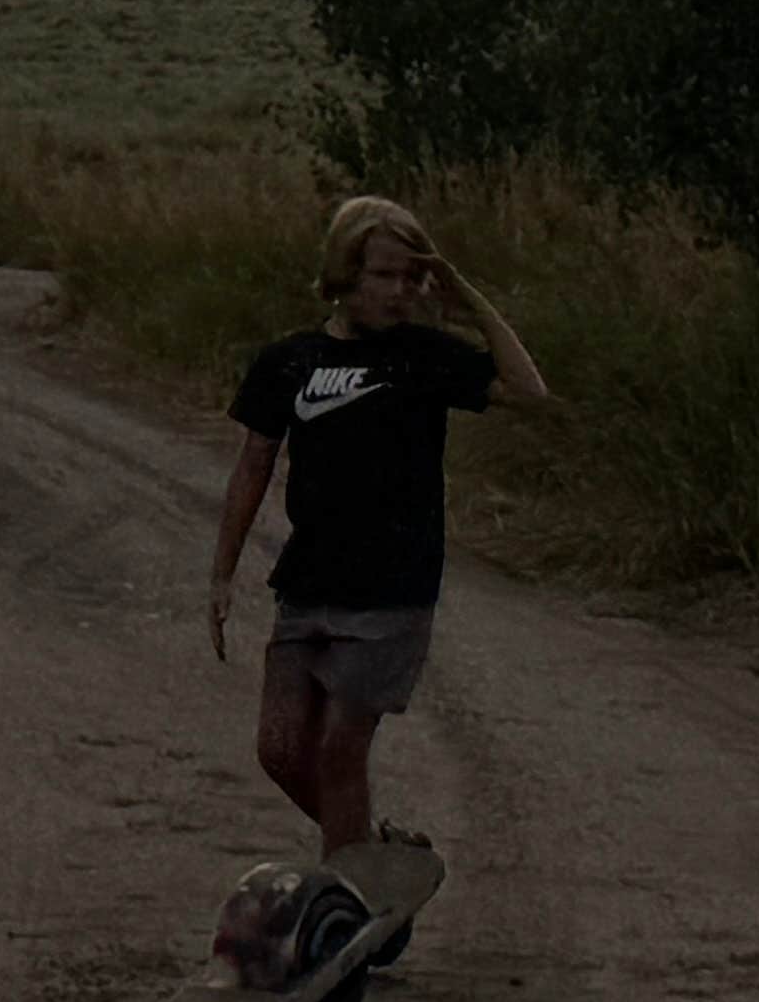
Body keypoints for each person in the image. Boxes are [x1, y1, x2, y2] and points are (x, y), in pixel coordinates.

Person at [205, 195, 551, 855]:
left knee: (340, 750)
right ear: (343, 274)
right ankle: (375, 859)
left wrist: (467, 294)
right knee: (280, 750)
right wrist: (221, 574)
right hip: (308, 583)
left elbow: (529, 393)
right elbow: (252, 466)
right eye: (383, 276)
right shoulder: (290, 361)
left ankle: (351, 905)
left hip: (393, 588)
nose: (400, 293)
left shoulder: (424, 357)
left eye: (411, 278)